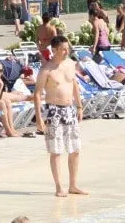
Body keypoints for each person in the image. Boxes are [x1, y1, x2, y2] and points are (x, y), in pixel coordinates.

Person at [34, 35, 86, 198]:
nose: (66, 51)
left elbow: (74, 85)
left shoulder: (70, 64)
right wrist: (39, 118)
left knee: (75, 148)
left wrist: (79, 106)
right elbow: (37, 94)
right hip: (53, 110)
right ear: (54, 50)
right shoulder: (46, 69)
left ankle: (73, 185)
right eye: (63, 49)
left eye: (67, 48)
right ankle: (58, 186)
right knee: (56, 150)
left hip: (69, 109)